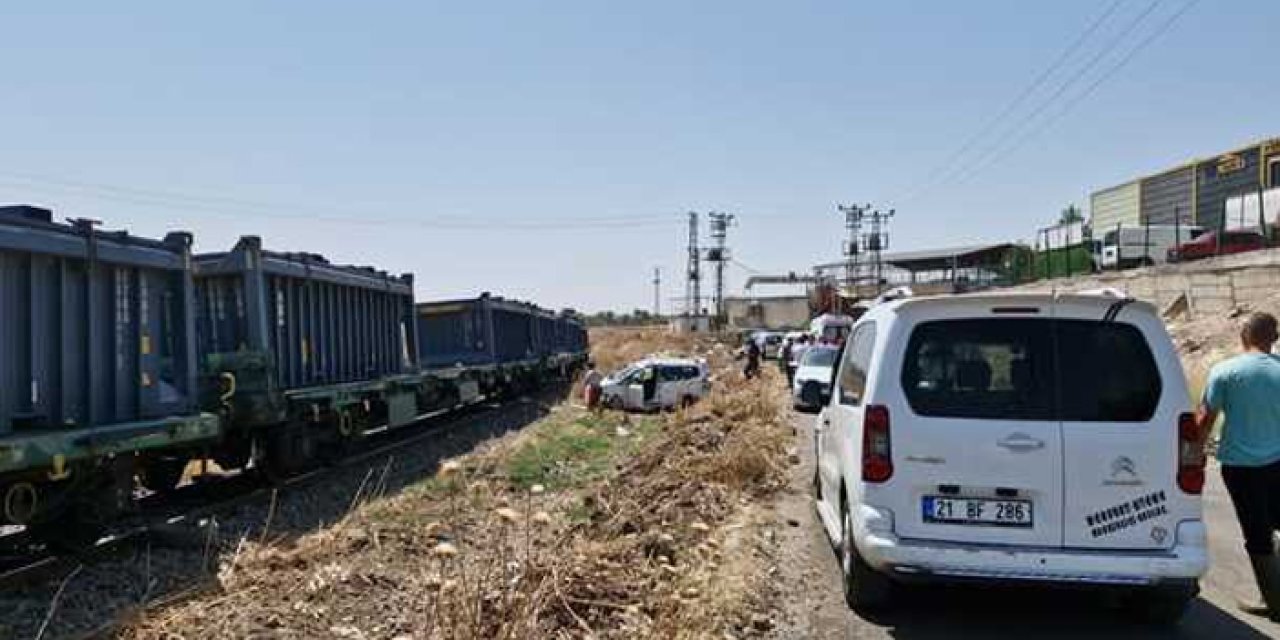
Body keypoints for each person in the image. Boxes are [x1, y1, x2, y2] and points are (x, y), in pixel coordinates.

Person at [1198, 312, 1280, 620]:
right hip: (1278, 462)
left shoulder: (1225, 371)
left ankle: (1275, 602)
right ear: (1273, 338)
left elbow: (1205, 419)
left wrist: (1192, 453)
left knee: (1257, 533)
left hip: (1240, 468)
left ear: (1243, 336)